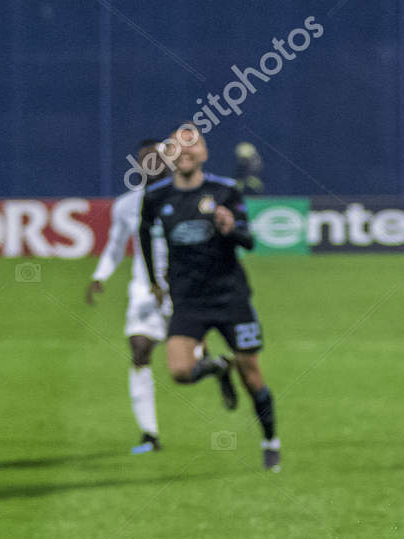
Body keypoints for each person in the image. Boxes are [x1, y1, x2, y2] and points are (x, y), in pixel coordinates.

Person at [139, 127, 280, 470]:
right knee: (180, 372)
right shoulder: (156, 197)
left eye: (194, 144)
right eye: (178, 145)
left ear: (204, 153)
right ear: (168, 154)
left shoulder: (224, 192)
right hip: (188, 301)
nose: (185, 151)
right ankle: (216, 367)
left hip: (231, 298)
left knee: (252, 374)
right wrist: (155, 281)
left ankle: (270, 440)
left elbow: (248, 242)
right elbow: (143, 232)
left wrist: (230, 228)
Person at [88, 137, 226, 454]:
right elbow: (114, 244)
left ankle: (214, 366)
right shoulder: (126, 205)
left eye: (157, 158)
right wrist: (100, 276)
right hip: (143, 288)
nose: (150, 164)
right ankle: (149, 435)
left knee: (189, 367)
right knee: (139, 350)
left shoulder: (186, 198)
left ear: (169, 162)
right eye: (144, 159)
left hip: (183, 287)